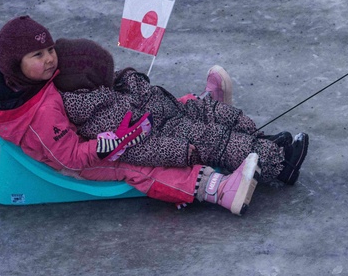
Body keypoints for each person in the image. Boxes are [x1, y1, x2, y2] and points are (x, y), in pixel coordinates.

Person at [0, 16, 308, 215]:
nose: (50, 59)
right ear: (15, 65)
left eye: (50, 50)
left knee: (168, 111)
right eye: (38, 55)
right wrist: (102, 146)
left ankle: (252, 139)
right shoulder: (45, 110)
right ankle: (224, 183)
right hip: (96, 155)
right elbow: (67, 157)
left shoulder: (34, 85)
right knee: (152, 158)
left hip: (104, 131)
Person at [53, 36, 307, 185]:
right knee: (216, 140)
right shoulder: (96, 113)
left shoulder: (105, 89)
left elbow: (139, 94)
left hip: (170, 111)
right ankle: (282, 166)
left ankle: (261, 143)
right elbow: (138, 148)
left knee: (215, 113)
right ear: (88, 81)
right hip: (168, 135)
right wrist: (180, 152)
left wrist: (131, 80)